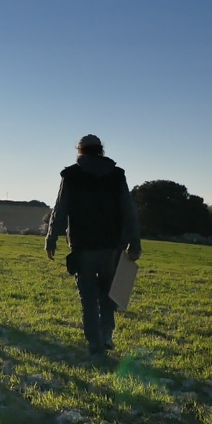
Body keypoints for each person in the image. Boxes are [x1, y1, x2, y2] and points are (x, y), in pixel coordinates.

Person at [45, 134, 142, 357]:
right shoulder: (117, 175)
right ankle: (107, 334)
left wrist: (51, 237)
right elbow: (129, 211)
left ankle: (95, 345)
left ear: (79, 150)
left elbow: (61, 208)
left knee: (88, 298)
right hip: (112, 246)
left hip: (83, 245)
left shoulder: (71, 175)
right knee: (109, 294)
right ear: (101, 150)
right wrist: (135, 242)